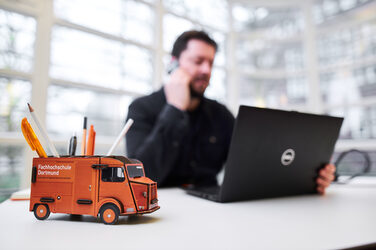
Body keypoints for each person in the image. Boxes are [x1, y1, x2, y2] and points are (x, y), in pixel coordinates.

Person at [126, 30, 335, 194]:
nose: (207, 70)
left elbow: (251, 166)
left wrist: (308, 176)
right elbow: (139, 179)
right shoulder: (142, 109)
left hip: (213, 212)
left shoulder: (220, 114)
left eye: (211, 63)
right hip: (158, 211)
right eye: (198, 61)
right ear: (174, 64)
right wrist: (174, 109)